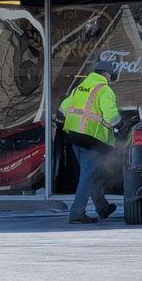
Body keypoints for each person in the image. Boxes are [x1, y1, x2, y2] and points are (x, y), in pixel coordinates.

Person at [59, 60, 121, 224]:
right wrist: (121, 123)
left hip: (74, 136)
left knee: (93, 175)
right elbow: (112, 117)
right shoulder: (105, 89)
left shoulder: (80, 87)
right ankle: (76, 213)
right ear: (108, 74)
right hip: (91, 139)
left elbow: (63, 108)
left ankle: (102, 208)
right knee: (88, 176)